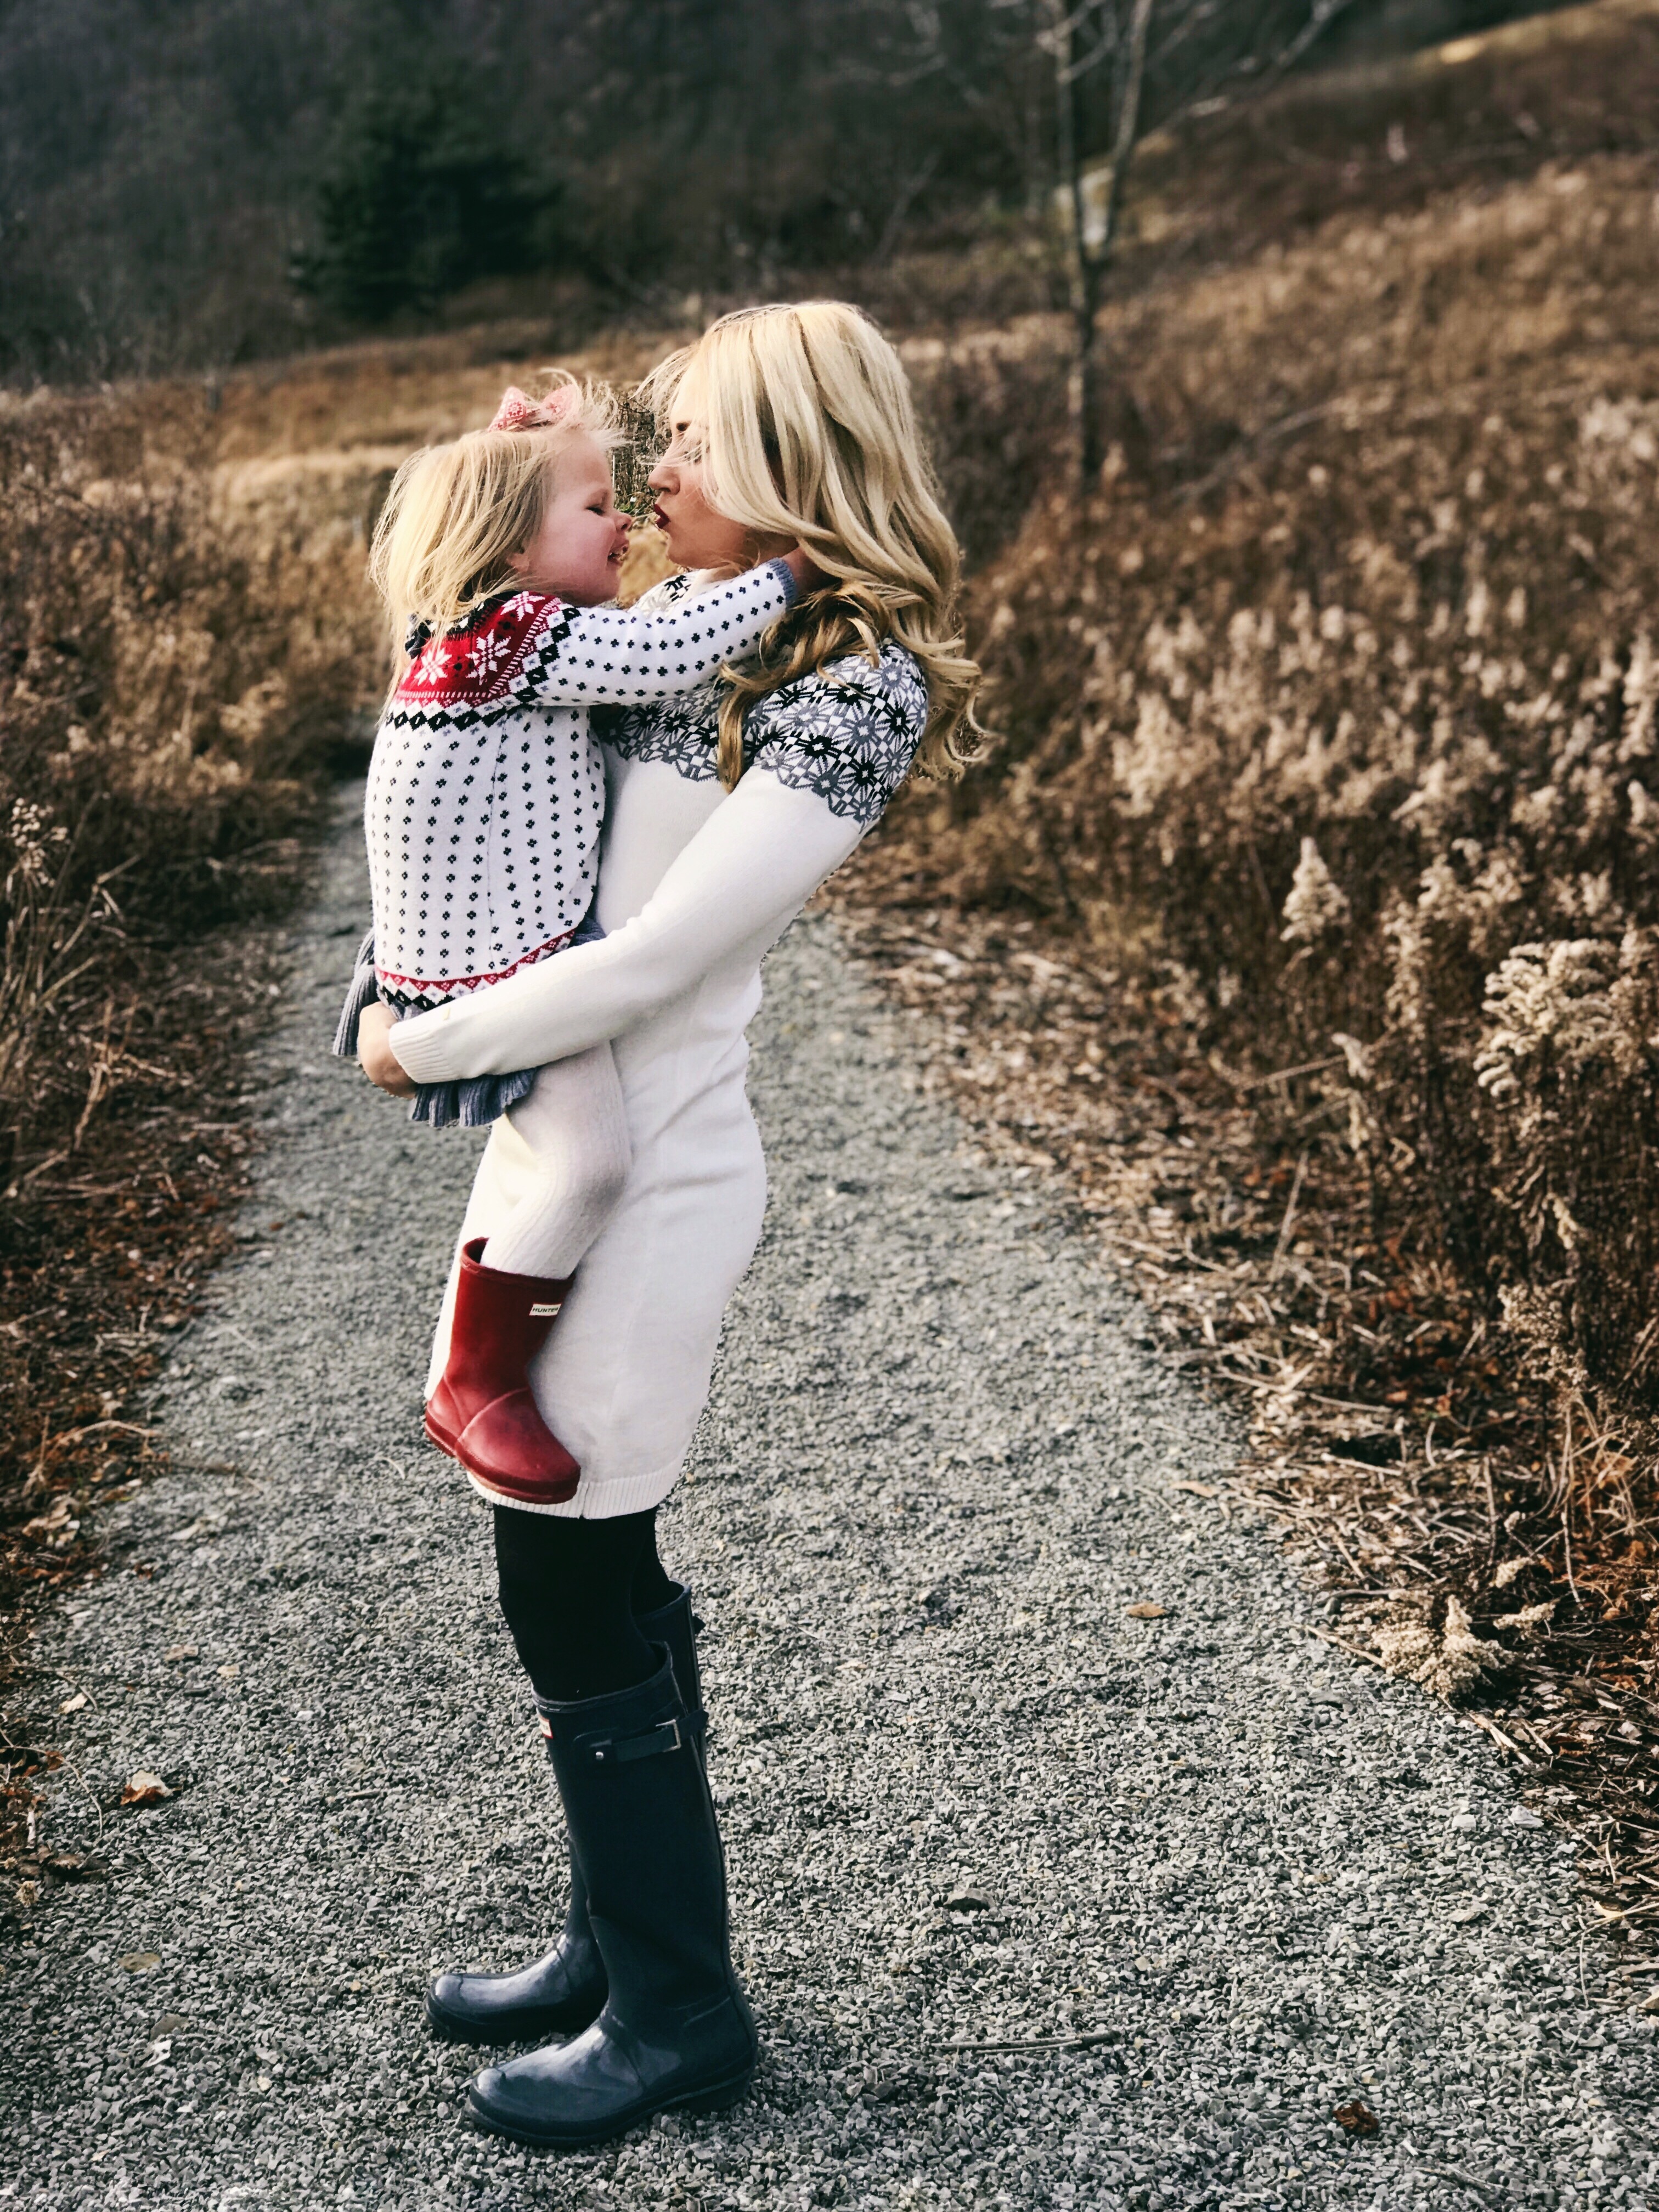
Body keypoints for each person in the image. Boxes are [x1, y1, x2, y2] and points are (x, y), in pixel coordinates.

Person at [357, 302, 981, 2149]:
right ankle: (615, 1947)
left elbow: (657, 957)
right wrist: (509, 474)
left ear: (799, 460)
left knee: (574, 1576)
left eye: (696, 444)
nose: (664, 479)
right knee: (574, 1574)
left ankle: (680, 2015)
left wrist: (421, 1047)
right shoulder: (637, 633)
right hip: (565, 1152)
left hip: (663, 1179)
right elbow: (457, 717)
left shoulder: (847, 688)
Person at [335, 373, 813, 1507]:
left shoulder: (475, 630)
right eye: (595, 506)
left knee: (564, 1163)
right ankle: (476, 1381)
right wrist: (794, 572)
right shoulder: (518, 637)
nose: (624, 523)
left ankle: (486, 1362)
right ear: (511, 549)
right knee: (594, 1161)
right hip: (497, 973)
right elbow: (665, 656)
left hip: (482, 954)